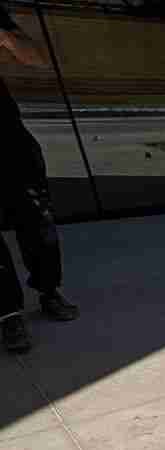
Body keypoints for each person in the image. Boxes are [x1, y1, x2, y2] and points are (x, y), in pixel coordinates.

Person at [0, 1, 78, 354]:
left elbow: (36, 58)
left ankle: (49, 290)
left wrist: (5, 36)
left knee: (37, 219)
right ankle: (7, 313)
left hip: (7, 137)